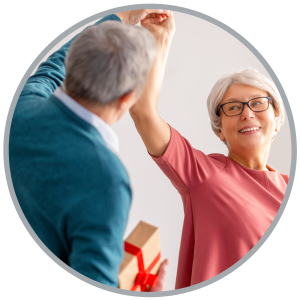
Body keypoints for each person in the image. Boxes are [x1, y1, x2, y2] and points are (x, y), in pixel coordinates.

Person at [9, 10, 171, 291]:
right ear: (127, 99)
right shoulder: (107, 179)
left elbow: (53, 67)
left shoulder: (21, 106)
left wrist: (122, 16)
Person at [129, 13, 289, 289]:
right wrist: (161, 40)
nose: (247, 114)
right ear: (219, 130)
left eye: (258, 103)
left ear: (276, 120)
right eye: (234, 108)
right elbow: (143, 112)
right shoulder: (205, 175)